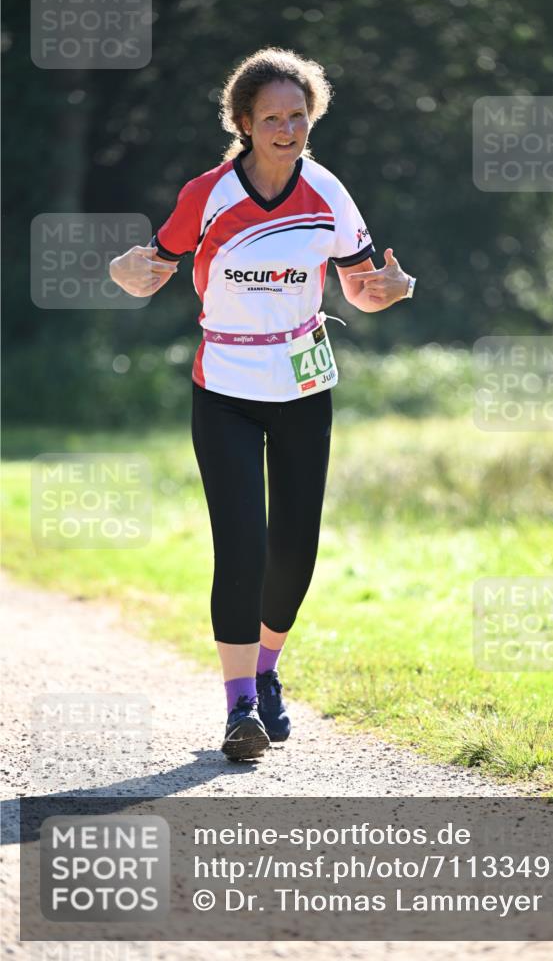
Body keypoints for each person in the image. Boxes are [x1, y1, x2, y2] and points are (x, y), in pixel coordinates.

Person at [109, 47, 415, 761]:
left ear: (312, 119)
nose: (286, 128)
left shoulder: (330, 196)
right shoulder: (208, 194)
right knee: (241, 542)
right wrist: (125, 271)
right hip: (225, 389)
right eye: (271, 117)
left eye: (297, 116)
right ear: (243, 123)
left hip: (304, 384)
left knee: (293, 550)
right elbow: (149, 272)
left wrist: (393, 289)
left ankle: (268, 670)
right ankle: (238, 705)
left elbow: (362, 292)